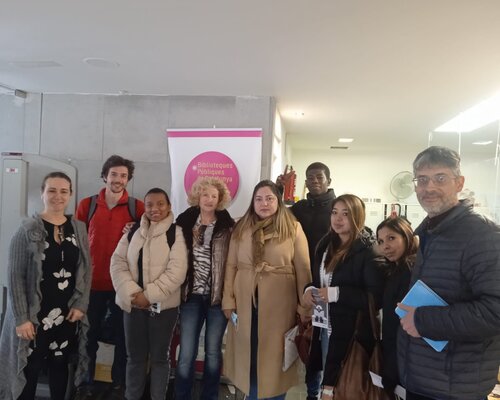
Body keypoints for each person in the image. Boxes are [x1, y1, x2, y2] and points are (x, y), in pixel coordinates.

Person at [397, 146, 500, 400]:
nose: (429, 187)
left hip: (456, 387)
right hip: (424, 379)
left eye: (440, 178)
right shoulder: (429, 232)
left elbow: (495, 311)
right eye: (422, 180)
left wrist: (423, 321)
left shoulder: (482, 234)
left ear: (459, 183)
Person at [0, 172, 91, 400]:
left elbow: (86, 269)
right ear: (42, 193)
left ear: (70, 195)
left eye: (63, 191)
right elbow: (15, 277)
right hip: (34, 317)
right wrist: (22, 318)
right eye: (52, 190)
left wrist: (80, 304)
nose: (57, 196)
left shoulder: (78, 228)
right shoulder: (27, 230)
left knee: (60, 365)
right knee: (30, 368)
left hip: (66, 314)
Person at [222, 180, 312, 400]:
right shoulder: (241, 228)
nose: (264, 204)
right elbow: (231, 265)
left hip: (280, 305)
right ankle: (252, 395)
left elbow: (303, 269)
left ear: (278, 201)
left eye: (269, 198)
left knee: (276, 358)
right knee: (248, 354)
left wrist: (304, 307)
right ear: (252, 203)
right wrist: (228, 300)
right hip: (246, 303)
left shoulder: (292, 228)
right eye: (259, 199)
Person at [75, 155, 145, 400]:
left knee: (122, 338)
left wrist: (136, 229)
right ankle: (84, 383)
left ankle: (118, 384)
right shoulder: (87, 205)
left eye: (123, 175)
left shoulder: (138, 208)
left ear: (128, 179)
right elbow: (77, 243)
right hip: (91, 284)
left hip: (122, 285)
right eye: (114, 174)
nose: (118, 179)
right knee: (87, 337)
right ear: (105, 176)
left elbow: (147, 241)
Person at [302, 194, 384, 400]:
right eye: (334, 212)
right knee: (324, 376)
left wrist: (337, 294)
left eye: (345, 214)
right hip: (323, 325)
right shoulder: (325, 245)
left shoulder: (368, 251)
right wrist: (309, 290)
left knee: (343, 385)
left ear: (357, 216)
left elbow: (374, 298)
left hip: (351, 333)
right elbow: (319, 280)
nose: (338, 219)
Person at [110, 188, 188, 400]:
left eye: (160, 204)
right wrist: (133, 293)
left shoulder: (176, 233)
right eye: (150, 204)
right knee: (134, 358)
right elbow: (117, 262)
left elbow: (177, 271)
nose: (155, 209)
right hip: (132, 306)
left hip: (164, 309)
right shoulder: (133, 231)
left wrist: (149, 296)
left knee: (159, 359)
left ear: (169, 206)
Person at [278, 162, 335, 400]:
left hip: (324, 286)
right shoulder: (299, 208)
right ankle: (300, 389)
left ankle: (319, 392)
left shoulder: (337, 207)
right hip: (299, 283)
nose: (314, 181)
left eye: (319, 177)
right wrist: (278, 190)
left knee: (320, 341)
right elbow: (278, 216)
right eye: (310, 177)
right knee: (299, 336)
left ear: (329, 180)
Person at [174, 177, 234, 400]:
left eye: (214, 196)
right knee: (186, 352)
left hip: (217, 298)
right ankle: (182, 396)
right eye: (205, 194)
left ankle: (210, 396)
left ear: (220, 200)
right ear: (197, 197)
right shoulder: (184, 222)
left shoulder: (228, 226)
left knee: (213, 352)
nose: (209, 199)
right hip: (190, 296)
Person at [376, 216, 418, 399]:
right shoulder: (396, 269)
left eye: (391, 238)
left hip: (404, 361)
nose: (385, 246)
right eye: (380, 241)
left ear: (406, 236)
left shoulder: (408, 270)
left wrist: (392, 367)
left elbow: (400, 324)